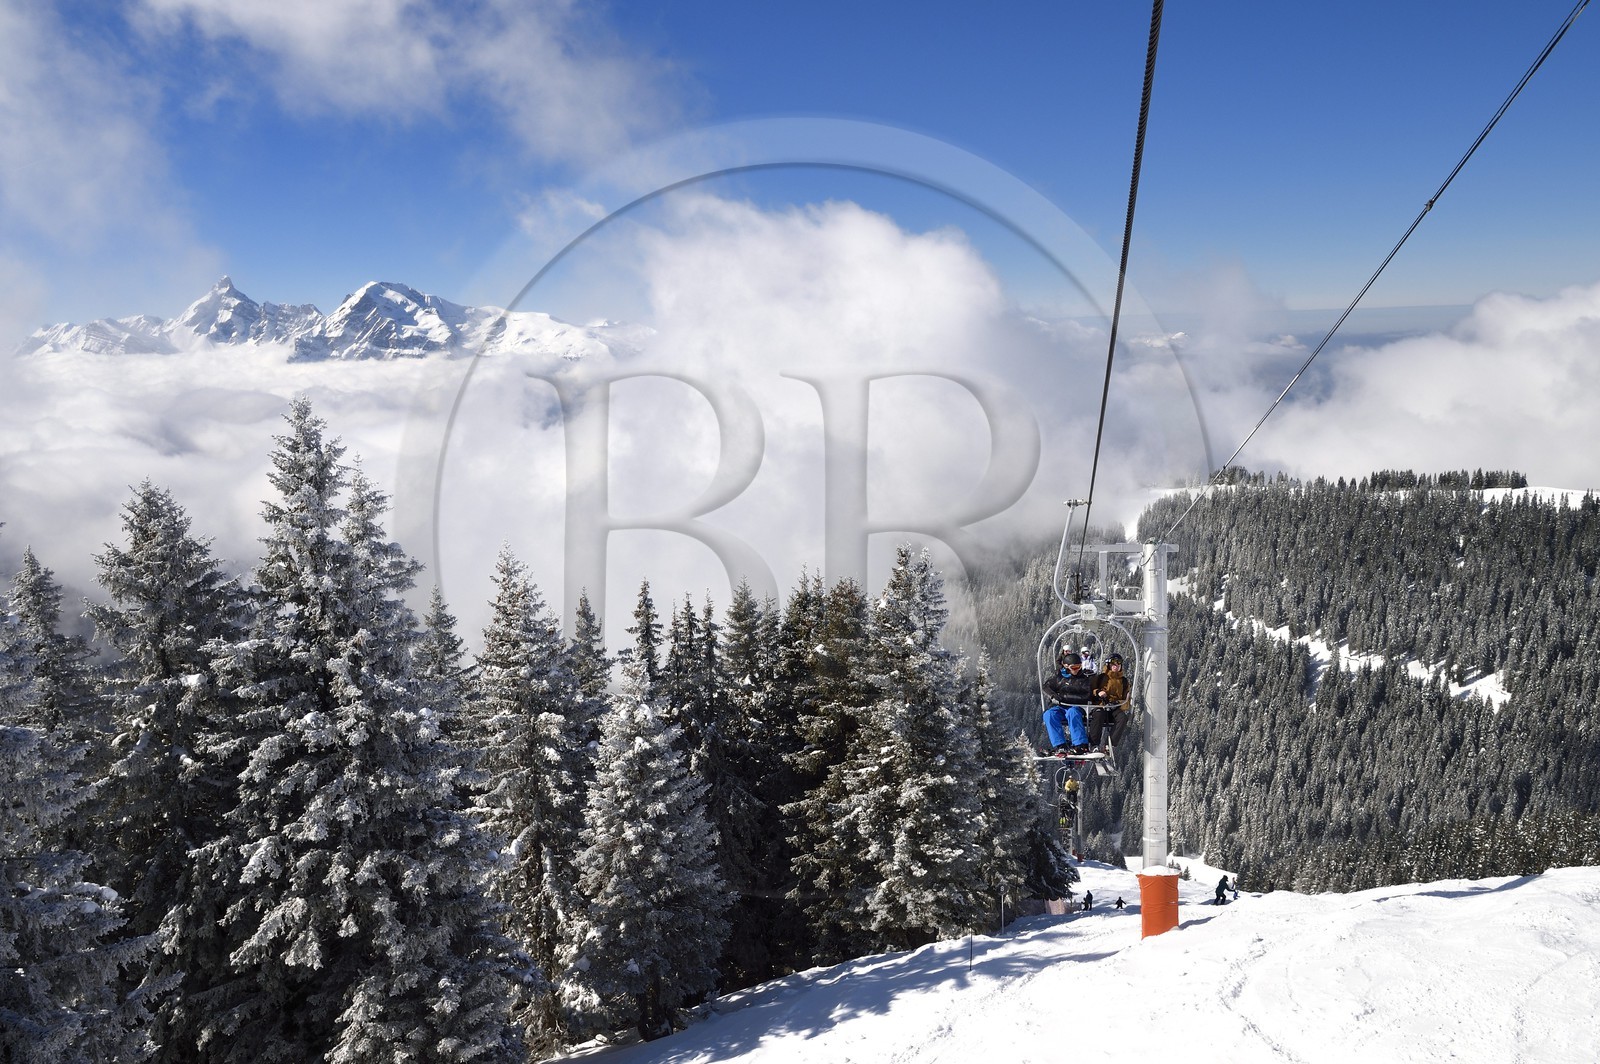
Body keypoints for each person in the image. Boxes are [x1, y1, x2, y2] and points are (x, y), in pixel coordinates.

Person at [1042, 649, 1098, 754]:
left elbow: (1087, 694)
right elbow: (1046, 686)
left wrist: (1067, 698)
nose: (1077, 670)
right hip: (1061, 707)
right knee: (1049, 715)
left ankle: (1080, 744)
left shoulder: (1084, 678)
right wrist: (1053, 696)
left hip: (1077, 707)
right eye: (1074, 667)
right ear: (1066, 667)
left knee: (1073, 713)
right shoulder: (1059, 677)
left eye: (1079, 667)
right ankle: (1060, 745)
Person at [1089, 653, 1131, 751]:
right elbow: (1091, 691)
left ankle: (1110, 745)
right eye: (1113, 664)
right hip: (1101, 705)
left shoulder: (1124, 681)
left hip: (1115, 708)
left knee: (1122, 717)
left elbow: (1127, 700)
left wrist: (1117, 703)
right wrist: (1098, 692)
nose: (1116, 666)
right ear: (1109, 665)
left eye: (1118, 664)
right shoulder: (1101, 678)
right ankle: (1094, 744)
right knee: (1099, 714)